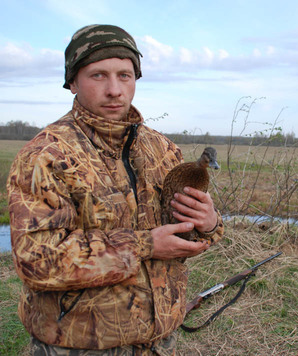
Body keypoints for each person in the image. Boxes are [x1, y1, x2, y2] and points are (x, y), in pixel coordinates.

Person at [7, 24, 224, 355]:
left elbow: (185, 233)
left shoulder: (162, 149)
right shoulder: (46, 155)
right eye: (98, 75)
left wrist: (209, 223)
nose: (114, 89)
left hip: (161, 342)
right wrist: (143, 245)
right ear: (72, 82)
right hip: (78, 347)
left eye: (125, 75)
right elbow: (36, 260)